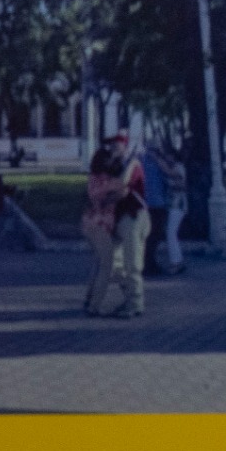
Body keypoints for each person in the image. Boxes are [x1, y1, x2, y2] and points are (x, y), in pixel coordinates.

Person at [81, 133, 148, 318]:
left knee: (132, 263)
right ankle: (129, 298)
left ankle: (135, 303)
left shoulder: (132, 165)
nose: (113, 149)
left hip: (133, 216)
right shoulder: (114, 168)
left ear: (125, 147)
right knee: (115, 265)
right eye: (111, 146)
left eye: (117, 146)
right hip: (116, 221)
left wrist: (131, 163)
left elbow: (123, 187)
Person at [138, 139, 186, 276]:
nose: (166, 157)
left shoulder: (173, 166)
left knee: (159, 234)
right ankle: (155, 263)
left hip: (170, 204)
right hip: (160, 204)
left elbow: (175, 178)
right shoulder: (156, 163)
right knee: (156, 234)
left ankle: (170, 262)